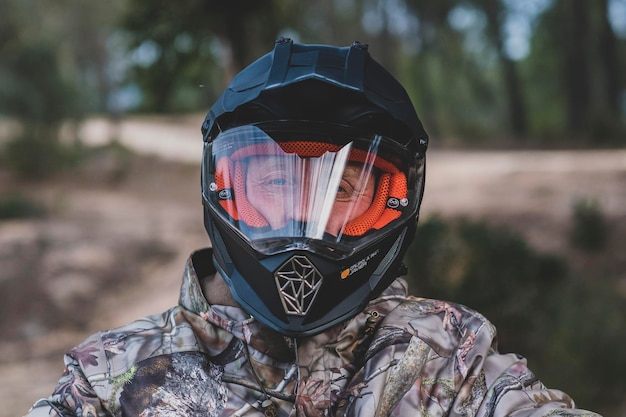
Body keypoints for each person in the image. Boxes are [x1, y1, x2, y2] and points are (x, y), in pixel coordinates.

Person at [24, 39, 600, 417]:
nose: (304, 220)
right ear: (227, 190)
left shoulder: (453, 365)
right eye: (274, 184)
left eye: (343, 189)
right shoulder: (113, 378)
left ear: (395, 201)